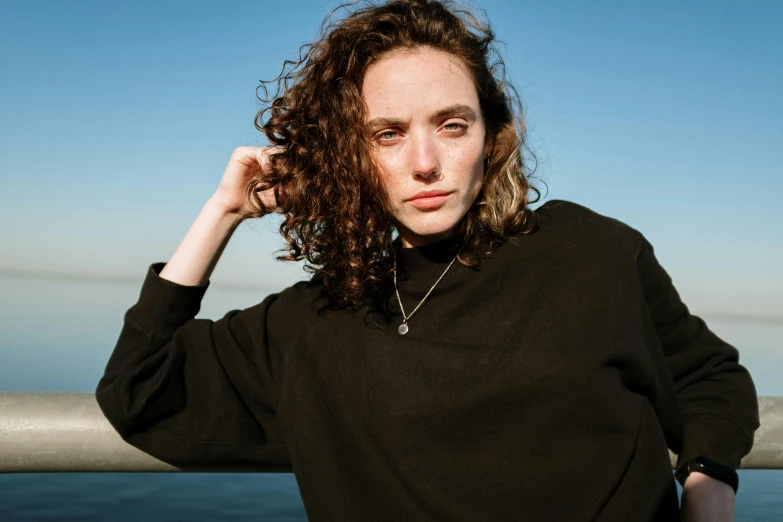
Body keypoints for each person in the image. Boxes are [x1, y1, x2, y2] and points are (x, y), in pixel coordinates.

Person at [95, 1, 760, 520]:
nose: (423, 163)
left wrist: (708, 488)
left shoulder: (592, 251)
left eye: (450, 124)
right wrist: (222, 213)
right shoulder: (322, 316)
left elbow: (707, 377)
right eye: (387, 134)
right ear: (351, 157)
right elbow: (139, 391)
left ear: (491, 136)